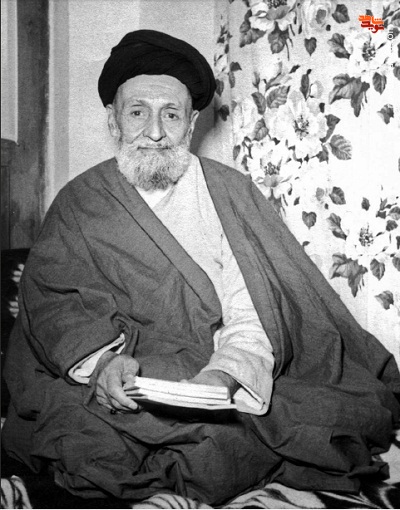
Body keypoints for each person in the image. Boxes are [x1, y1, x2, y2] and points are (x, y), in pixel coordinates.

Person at [3, 29, 400, 506]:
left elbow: (256, 309)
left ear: (191, 124)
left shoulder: (230, 193)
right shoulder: (78, 202)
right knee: (75, 427)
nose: (154, 131)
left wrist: (224, 376)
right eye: (137, 112)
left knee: (322, 415)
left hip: (216, 368)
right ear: (113, 121)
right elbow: (56, 307)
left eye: (171, 114)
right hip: (125, 377)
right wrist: (104, 363)